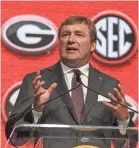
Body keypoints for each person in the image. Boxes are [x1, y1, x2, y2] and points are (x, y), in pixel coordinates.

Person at [5, 16, 136, 148]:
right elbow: (14, 138)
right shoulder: (37, 81)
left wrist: (123, 120)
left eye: (79, 35)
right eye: (66, 35)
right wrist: (36, 109)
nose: (71, 40)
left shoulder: (110, 85)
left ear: (92, 45)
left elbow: (129, 144)